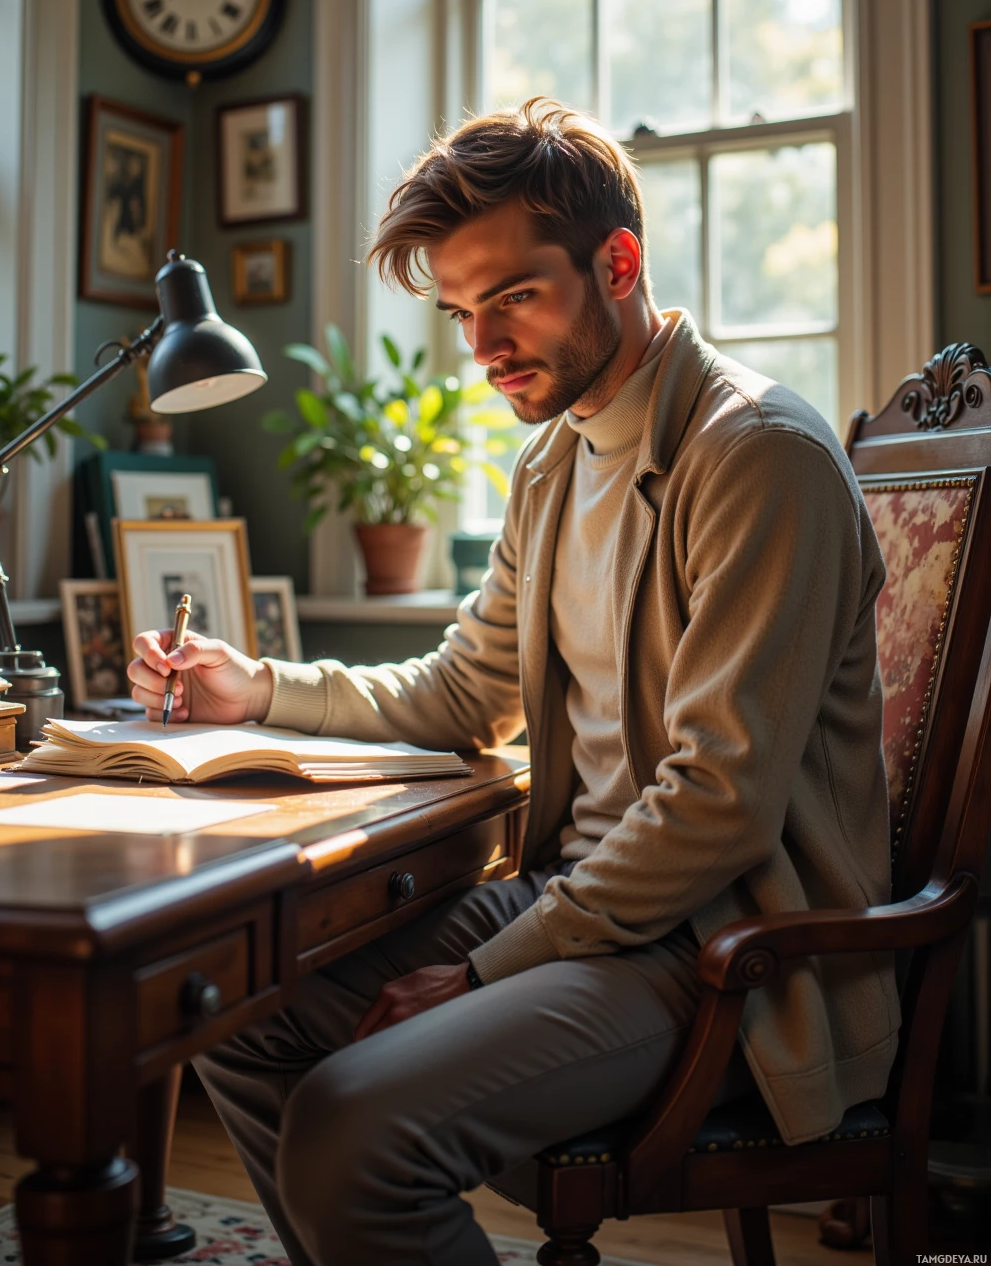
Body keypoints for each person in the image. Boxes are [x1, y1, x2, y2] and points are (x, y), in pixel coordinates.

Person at [128, 98, 898, 1266]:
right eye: (460, 312)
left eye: (514, 297)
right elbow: (456, 694)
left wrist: (483, 971)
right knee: (237, 1016)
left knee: (351, 1132)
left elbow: (717, 806)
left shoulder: (758, 458)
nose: (483, 346)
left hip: (720, 945)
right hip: (574, 899)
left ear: (618, 262)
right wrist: (258, 689)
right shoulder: (552, 463)